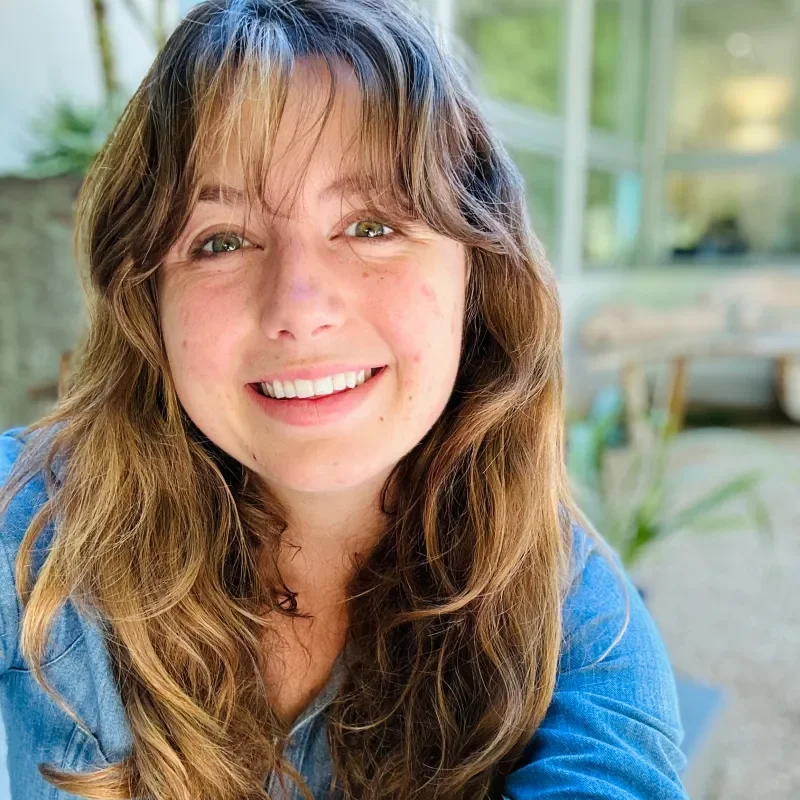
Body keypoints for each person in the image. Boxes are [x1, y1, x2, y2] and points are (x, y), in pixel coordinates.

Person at [0, 1, 689, 798]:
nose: (298, 309)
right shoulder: (30, 526)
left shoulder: (573, 614)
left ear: (477, 277)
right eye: (221, 240)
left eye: (372, 226)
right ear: (148, 298)